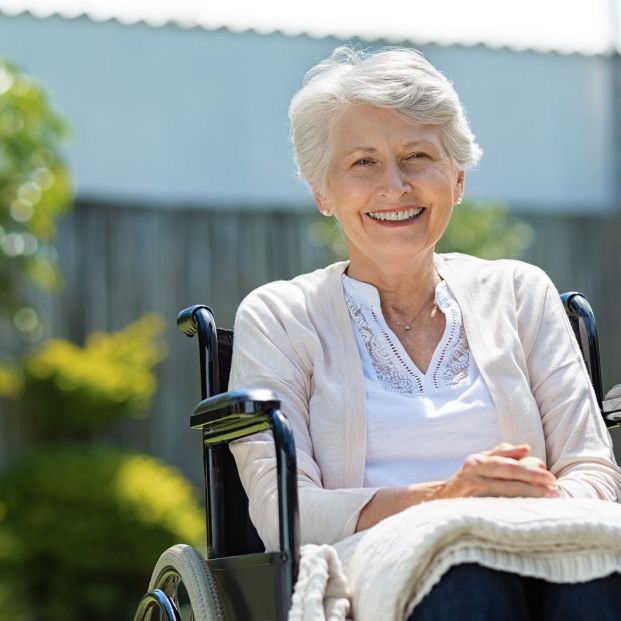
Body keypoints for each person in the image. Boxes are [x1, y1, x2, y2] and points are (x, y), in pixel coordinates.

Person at [229, 46, 621, 620]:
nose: (395, 185)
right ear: (323, 193)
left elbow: (593, 470)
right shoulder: (281, 317)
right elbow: (285, 513)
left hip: (540, 538)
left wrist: (523, 509)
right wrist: (446, 500)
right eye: (362, 162)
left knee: (594, 575)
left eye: (417, 156)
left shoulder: (519, 292)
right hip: (381, 564)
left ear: (457, 179)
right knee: (468, 580)